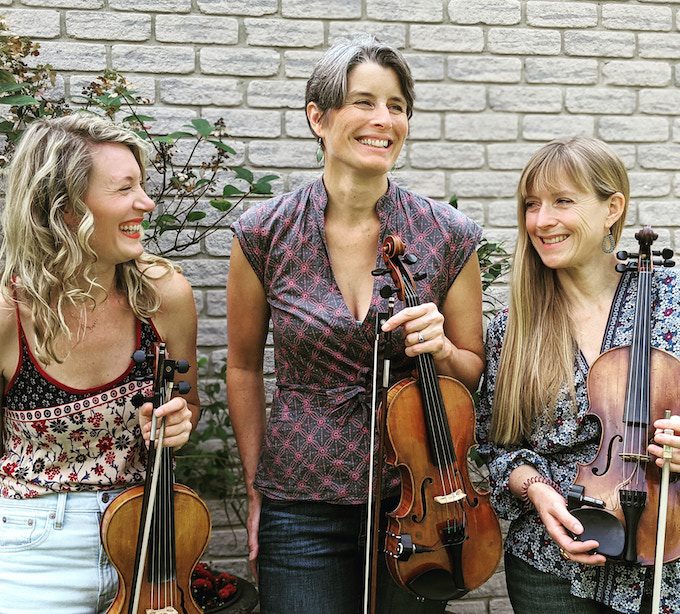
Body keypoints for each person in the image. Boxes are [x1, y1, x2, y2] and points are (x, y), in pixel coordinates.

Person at [227, 34, 485, 613]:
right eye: (363, 102)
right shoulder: (264, 232)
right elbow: (242, 367)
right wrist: (254, 488)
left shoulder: (447, 234)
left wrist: (441, 346)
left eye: (396, 106)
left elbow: (471, 371)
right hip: (301, 497)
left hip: (419, 499)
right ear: (319, 117)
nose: (383, 120)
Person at [0, 114, 199, 613]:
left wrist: (178, 423)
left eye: (143, 185)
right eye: (124, 188)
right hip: (31, 552)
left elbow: (188, 400)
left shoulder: (165, 297)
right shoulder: (8, 314)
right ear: (65, 209)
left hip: (147, 542)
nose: (146, 203)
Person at [476, 136, 680, 614]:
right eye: (532, 205)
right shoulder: (514, 327)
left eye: (563, 201)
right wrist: (537, 491)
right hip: (550, 568)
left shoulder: (672, 301)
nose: (542, 221)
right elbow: (494, 445)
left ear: (613, 208)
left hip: (668, 558)